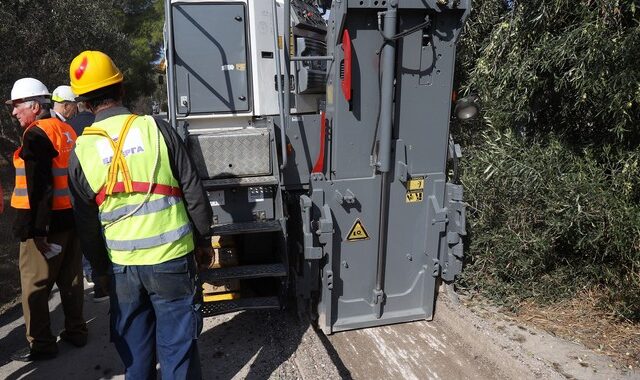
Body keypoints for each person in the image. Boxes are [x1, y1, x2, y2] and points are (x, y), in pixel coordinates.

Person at [67, 50, 212, 379]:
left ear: (85, 103)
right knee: (179, 349)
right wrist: (203, 239)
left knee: (136, 355)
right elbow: (192, 188)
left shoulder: (81, 151)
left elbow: (86, 224)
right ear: (120, 88)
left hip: (123, 269)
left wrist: (100, 270)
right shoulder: (156, 129)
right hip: (172, 259)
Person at [6, 78, 87, 362]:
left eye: (16, 106)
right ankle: (76, 331)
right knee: (72, 280)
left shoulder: (36, 134)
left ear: (34, 107)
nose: (14, 113)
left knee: (35, 286)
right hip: (71, 220)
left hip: (44, 225)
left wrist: (38, 230)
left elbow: (39, 186)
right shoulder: (66, 130)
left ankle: (41, 344)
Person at [66, 101, 108, 302]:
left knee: (88, 229)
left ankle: (93, 273)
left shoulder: (69, 127)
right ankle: (102, 282)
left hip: (80, 190)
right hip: (104, 189)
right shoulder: (99, 125)